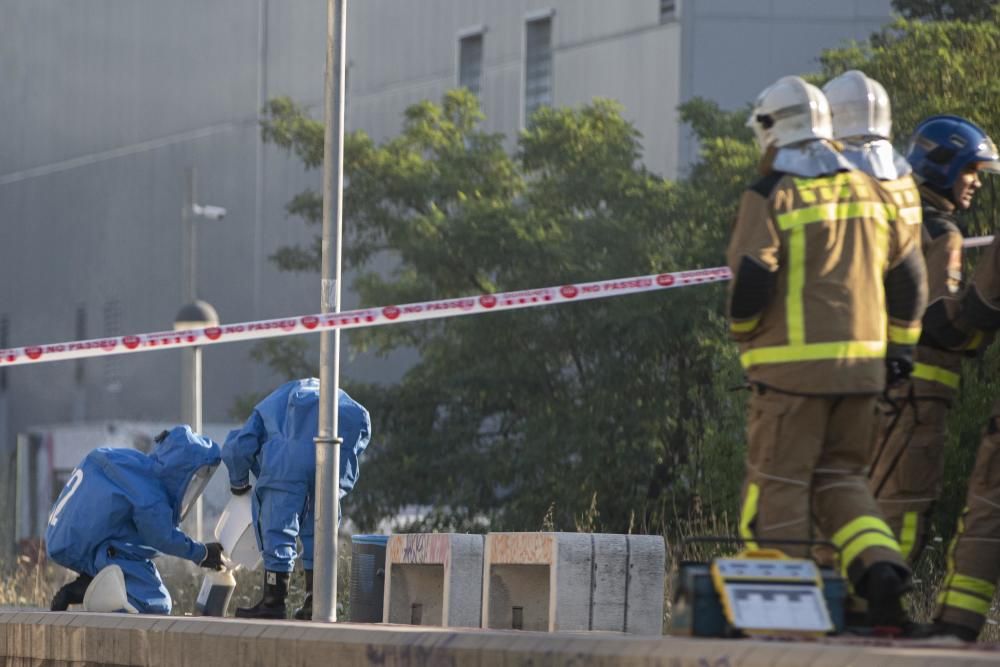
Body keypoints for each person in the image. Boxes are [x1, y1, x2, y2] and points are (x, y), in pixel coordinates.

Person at [729, 75, 927, 629]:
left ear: (772, 132)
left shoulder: (772, 193)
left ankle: (783, 619)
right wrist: (899, 353)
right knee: (843, 481)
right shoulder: (870, 188)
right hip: (863, 372)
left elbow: (752, 274)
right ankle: (881, 568)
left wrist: (744, 333)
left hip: (789, 376)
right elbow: (910, 278)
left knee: (780, 489)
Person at [868, 115, 1000, 568]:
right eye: (970, 171)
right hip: (916, 399)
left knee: (864, 499)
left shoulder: (894, 216)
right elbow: (941, 325)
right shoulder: (941, 233)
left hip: (871, 388)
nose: (975, 184)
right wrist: (987, 299)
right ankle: (878, 610)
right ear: (943, 165)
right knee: (904, 506)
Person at [222, 378, 371, 620]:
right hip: (328, 460)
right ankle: (316, 602)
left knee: (278, 531)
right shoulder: (340, 399)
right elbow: (361, 434)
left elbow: (240, 446)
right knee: (320, 532)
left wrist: (238, 483)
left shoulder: (272, 403)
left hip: (285, 464)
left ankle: (274, 603)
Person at [46, 426, 225, 614]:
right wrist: (202, 553)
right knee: (155, 603)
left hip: (67, 538)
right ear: (181, 469)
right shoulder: (150, 495)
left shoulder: (133, 463)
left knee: (137, 547)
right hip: (88, 547)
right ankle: (92, 590)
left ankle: (92, 578)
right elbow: (163, 537)